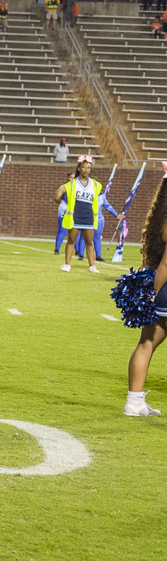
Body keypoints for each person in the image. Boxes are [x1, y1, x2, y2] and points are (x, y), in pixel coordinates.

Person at [123, 168, 167, 417]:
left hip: (161, 291)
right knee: (147, 342)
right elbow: (166, 265)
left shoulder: (161, 217)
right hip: (163, 289)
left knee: (147, 342)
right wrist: (153, 291)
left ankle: (135, 402)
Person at [57, 156, 103, 273]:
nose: (86, 170)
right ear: (79, 169)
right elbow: (59, 194)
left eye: (88, 168)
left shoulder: (96, 185)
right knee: (71, 240)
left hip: (88, 216)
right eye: (83, 167)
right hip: (75, 215)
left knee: (89, 241)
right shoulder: (72, 184)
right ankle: (67, 264)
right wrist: (58, 193)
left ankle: (92, 266)